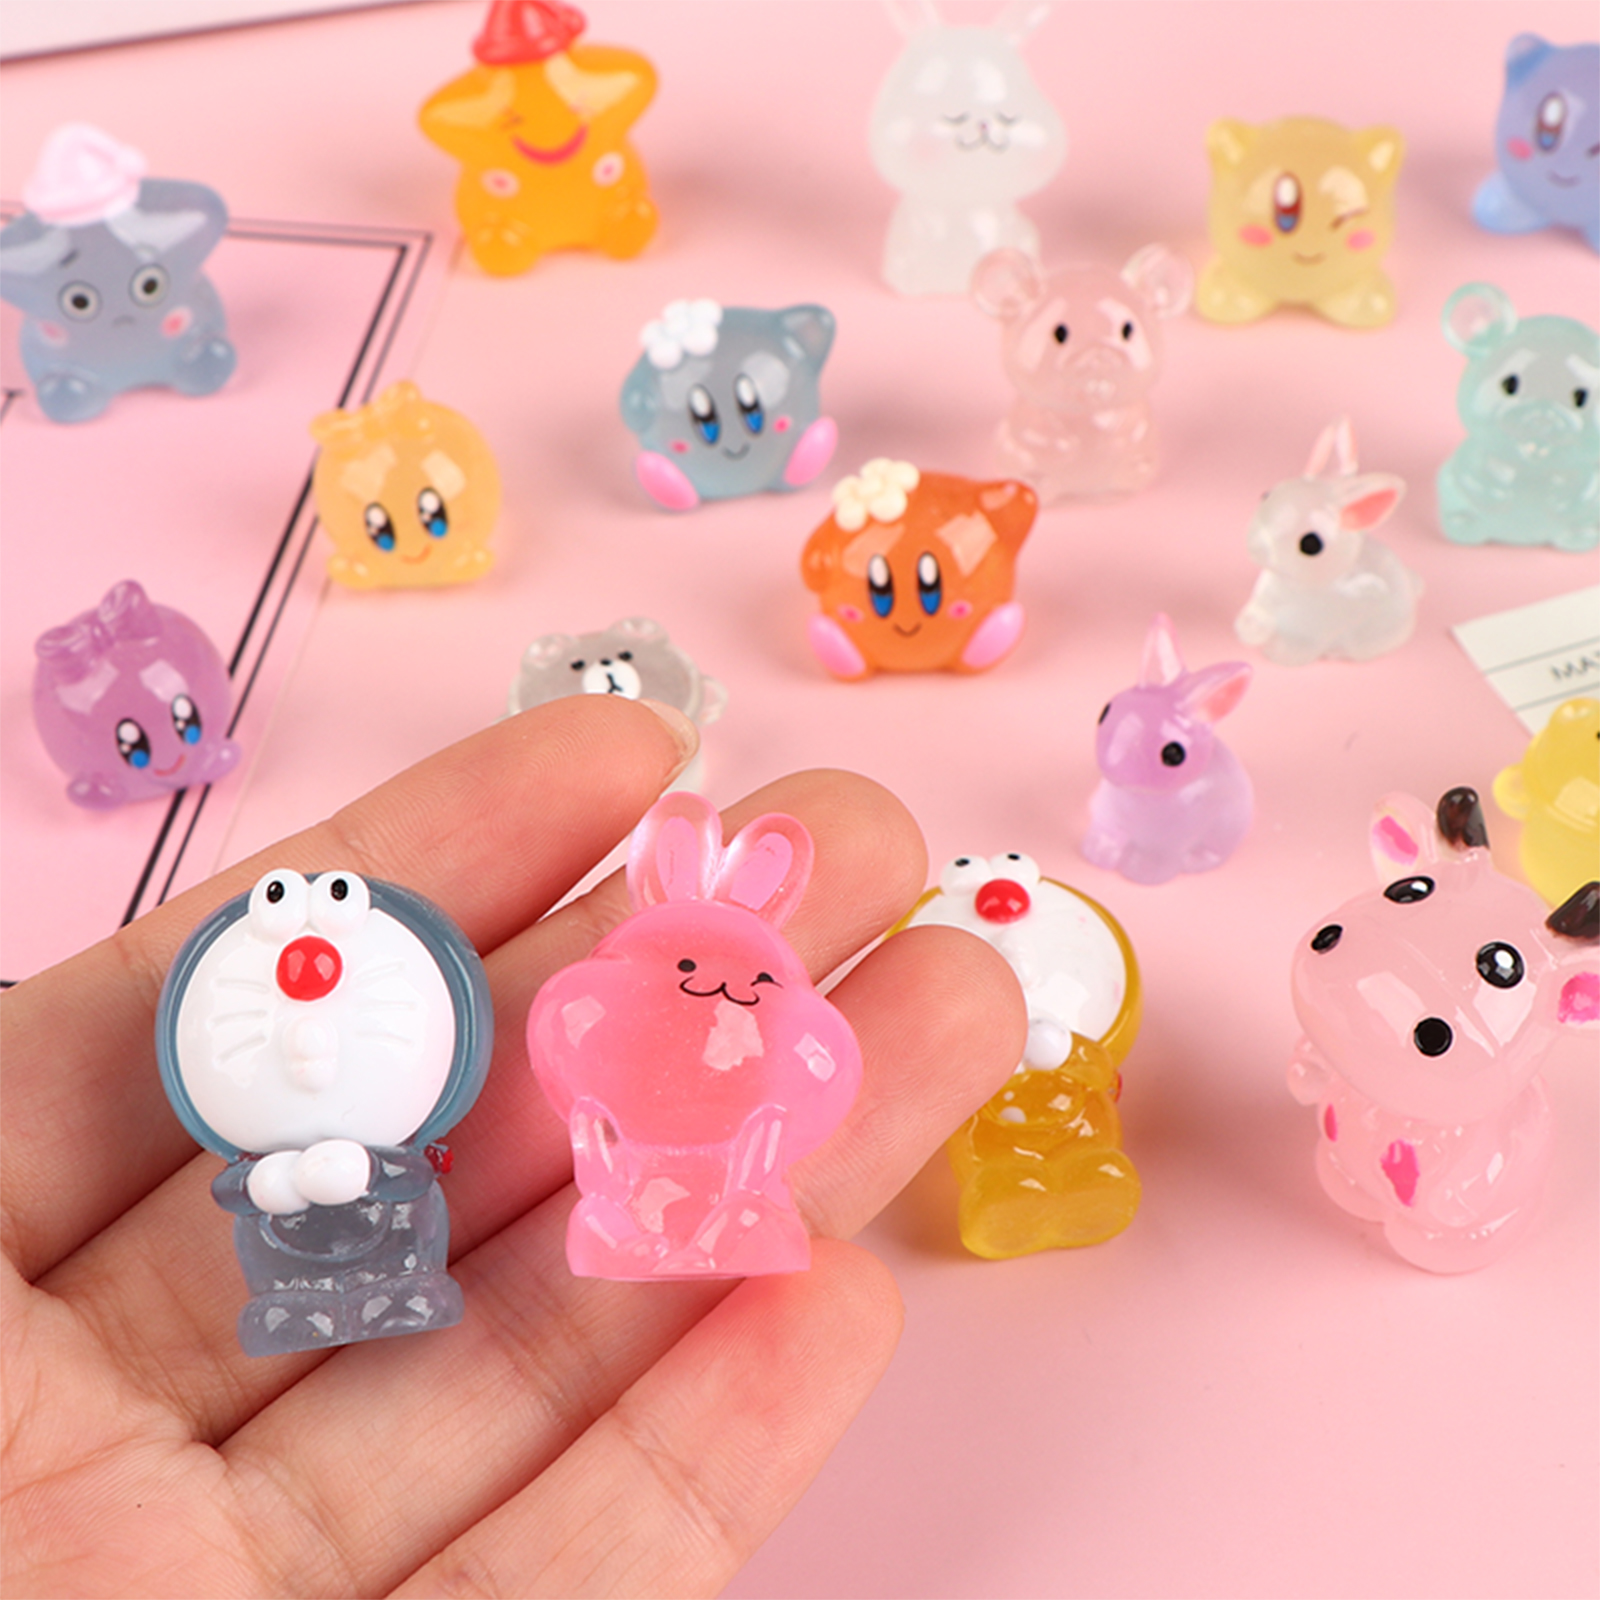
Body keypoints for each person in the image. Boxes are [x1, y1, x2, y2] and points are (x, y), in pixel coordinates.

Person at [1, 695, 1023, 1597]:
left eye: (747, 985)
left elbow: (737, 1105)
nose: (719, 993)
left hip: (636, 1189)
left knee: (412, 1217)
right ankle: (337, 1296)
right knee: (305, 1232)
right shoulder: (247, 1061)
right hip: (314, 1212)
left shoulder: (762, 1036)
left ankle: (411, 1282)